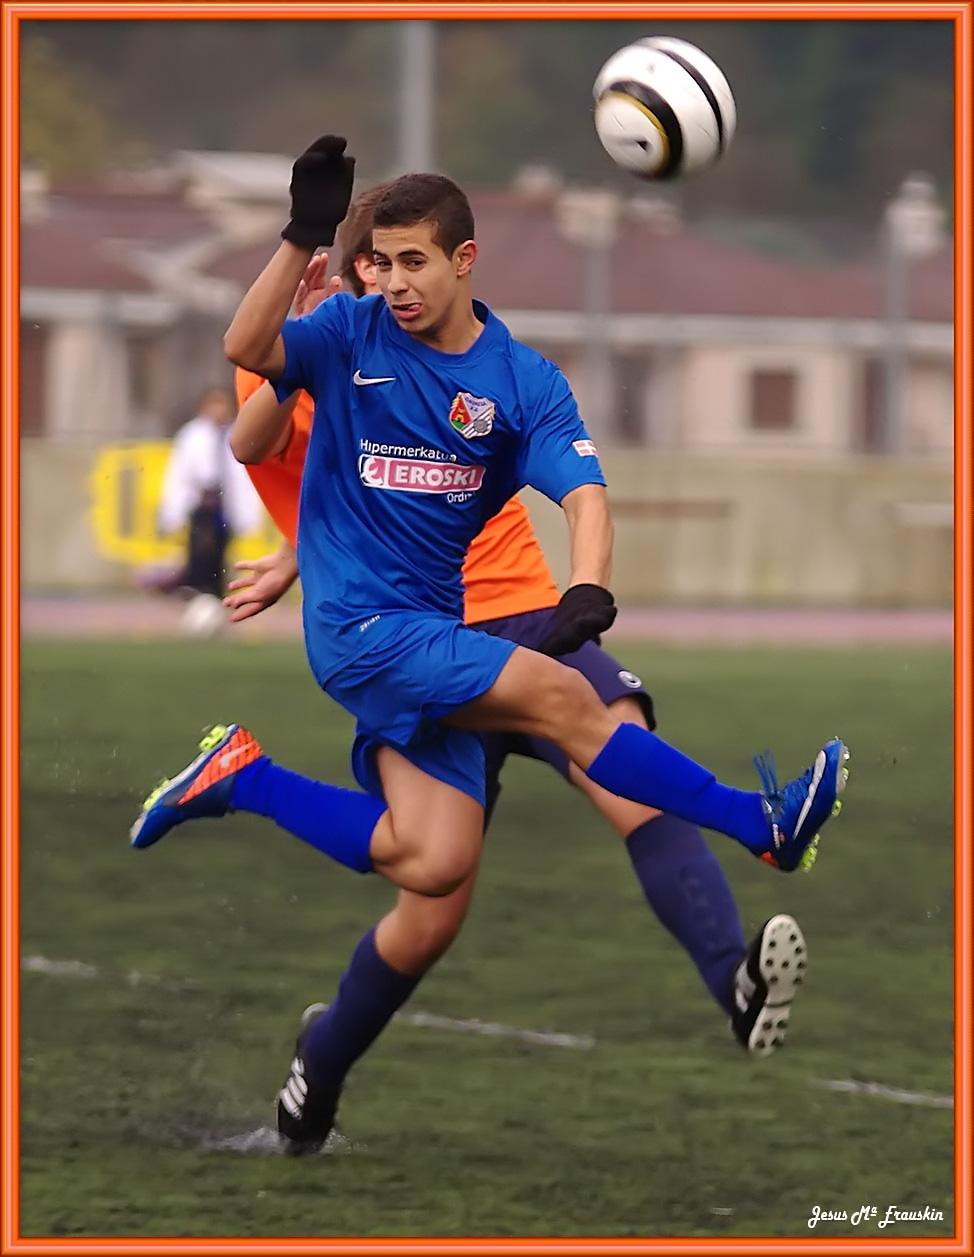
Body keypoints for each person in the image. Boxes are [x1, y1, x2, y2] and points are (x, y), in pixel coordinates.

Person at [129, 136, 848, 1154]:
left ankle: (245, 786)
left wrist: (589, 583)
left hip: (505, 615)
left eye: (409, 261)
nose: (391, 282)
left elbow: (579, 489)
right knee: (562, 734)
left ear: (461, 261)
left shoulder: (512, 376)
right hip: (383, 633)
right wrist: (296, 262)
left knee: (434, 865)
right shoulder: (335, 335)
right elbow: (261, 432)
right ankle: (763, 824)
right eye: (376, 263)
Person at [148, 386, 264, 628]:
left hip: (226, 506)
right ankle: (196, 605)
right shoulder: (192, 435)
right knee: (200, 557)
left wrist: (248, 513)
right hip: (202, 506)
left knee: (220, 560)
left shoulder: (236, 433)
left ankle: (214, 607)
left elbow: (243, 477)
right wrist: (173, 511)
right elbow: (179, 474)